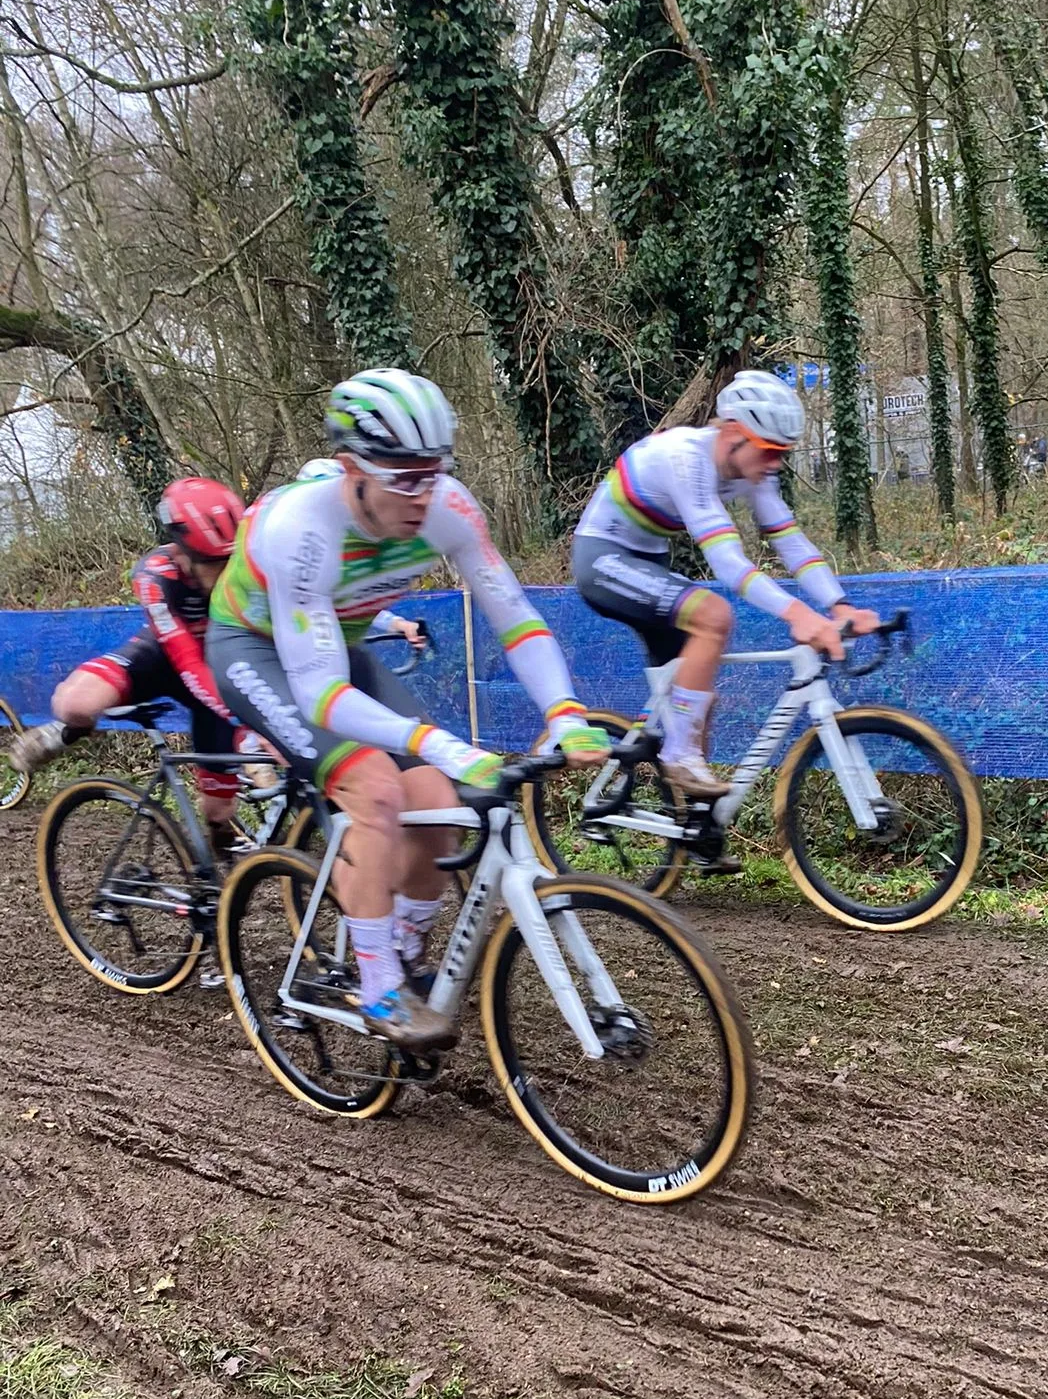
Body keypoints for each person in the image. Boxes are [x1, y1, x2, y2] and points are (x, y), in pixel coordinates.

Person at [206, 367, 607, 1054]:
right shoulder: (300, 527)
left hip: (341, 648)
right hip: (259, 651)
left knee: (436, 807)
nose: (424, 495)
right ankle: (378, 984)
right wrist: (445, 742)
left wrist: (564, 710)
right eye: (404, 478)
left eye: (435, 473)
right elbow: (323, 696)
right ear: (350, 470)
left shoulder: (447, 507)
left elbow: (514, 616)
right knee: (379, 788)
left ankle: (404, 947)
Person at [571, 369, 880, 799]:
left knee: (697, 710)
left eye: (783, 454)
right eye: (769, 451)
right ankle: (678, 758)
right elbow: (729, 564)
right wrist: (797, 613)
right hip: (602, 559)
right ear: (734, 432)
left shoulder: (753, 469)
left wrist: (839, 604)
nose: (775, 463)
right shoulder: (687, 457)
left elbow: (788, 539)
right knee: (714, 615)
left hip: (648, 561)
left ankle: (698, 829)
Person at [10, 477, 249, 861]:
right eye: (212, 564)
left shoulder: (248, 569)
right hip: (163, 659)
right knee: (74, 702)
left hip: (220, 667)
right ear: (183, 552)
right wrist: (242, 720)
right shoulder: (156, 574)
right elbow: (184, 656)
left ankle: (226, 854)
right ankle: (67, 731)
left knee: (218, 811)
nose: (224, 576)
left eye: (229, 562)